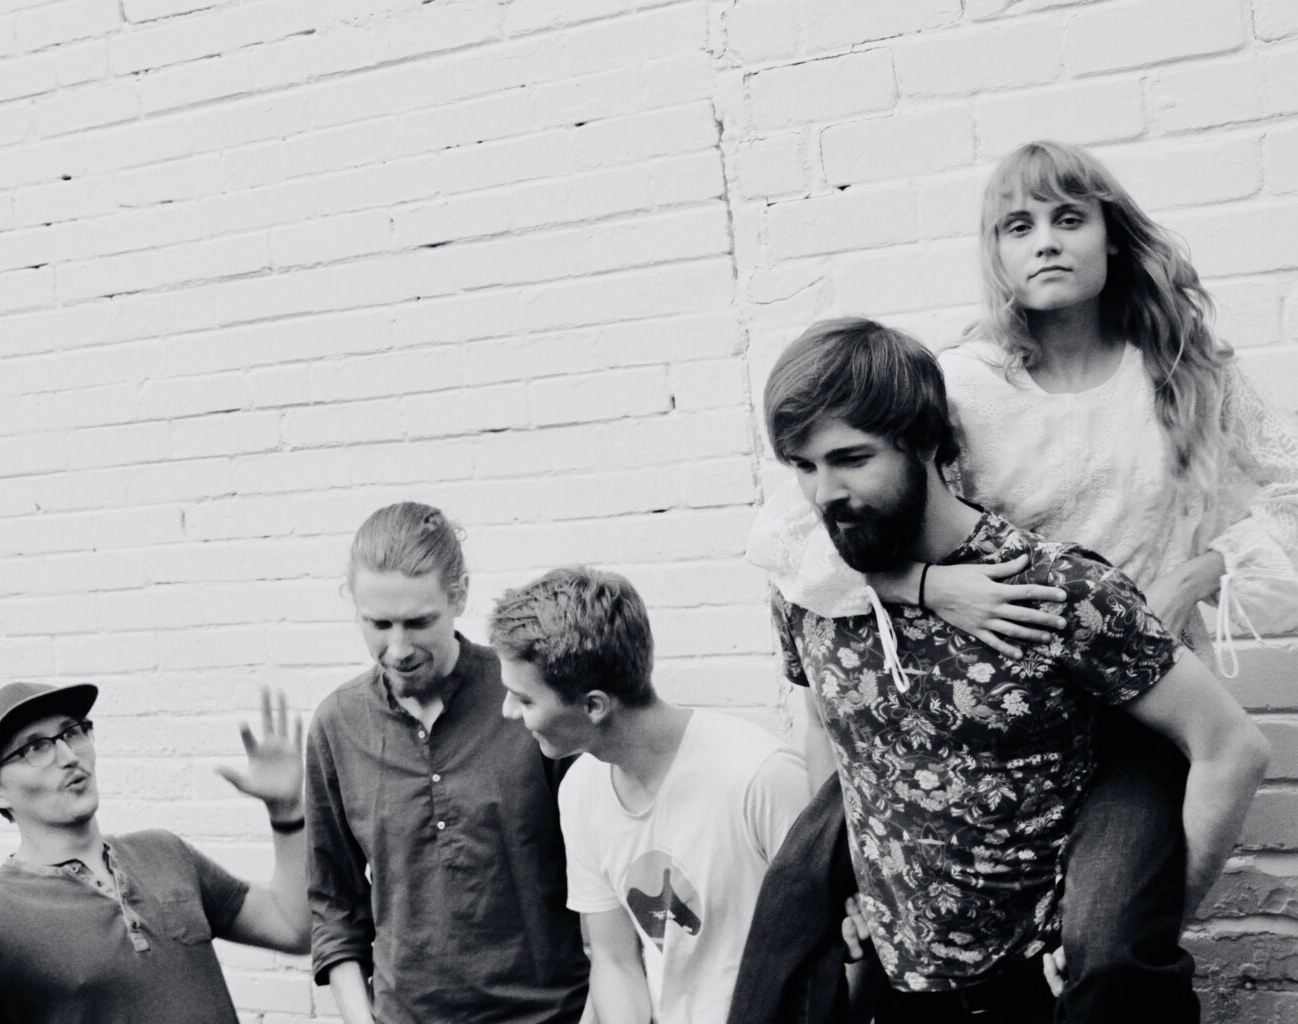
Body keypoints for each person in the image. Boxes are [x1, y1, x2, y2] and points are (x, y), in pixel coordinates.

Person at [747, 140, 1298, 1020]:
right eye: (1018, 225)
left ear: (1111, 235)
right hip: (990, 684)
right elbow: (810, 531)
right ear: (995, 252)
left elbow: (1287, 496)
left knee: (1110, 949)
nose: (1045, 241)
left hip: (1134, 695)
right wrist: (928, 588)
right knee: (790, 918)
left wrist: (1200, 572)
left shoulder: (1186, 377)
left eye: (1068, 218)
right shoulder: (966, 384)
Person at [305, 502, 589, 1024]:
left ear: (459, 596)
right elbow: (334, 906)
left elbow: (604, 875)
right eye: (378, 624)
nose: (398, 648)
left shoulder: (526, 700)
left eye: (418, 622)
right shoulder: (336, 724)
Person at [488, 566, 812, 1024]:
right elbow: (614, 961)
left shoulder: (761, 776)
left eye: (524, 700)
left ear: (594, 705)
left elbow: (840, 951)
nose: (507, 712)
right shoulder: (581, 789)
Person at [0, 682, 310, 1024]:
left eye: (72, 732)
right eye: (35, 747)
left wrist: (287, 812)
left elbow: (293, 927)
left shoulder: (165, 853)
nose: (68, 755)